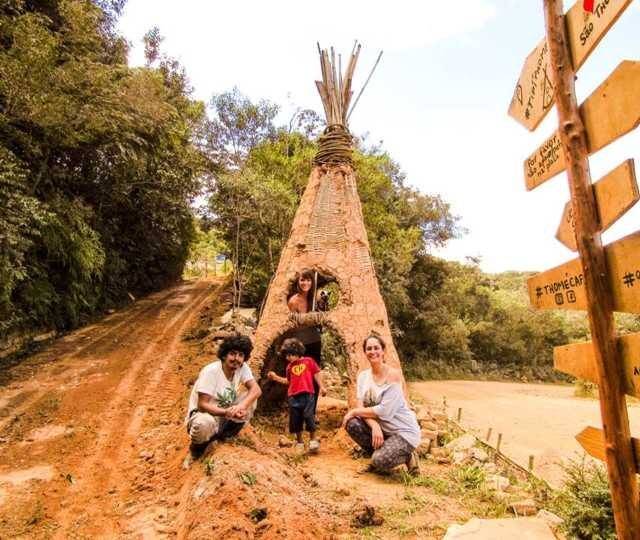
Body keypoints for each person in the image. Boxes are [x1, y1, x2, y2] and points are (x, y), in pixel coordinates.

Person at [342, 335, 420, 474]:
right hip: (383, 430)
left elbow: (385, 411)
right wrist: (374, 425)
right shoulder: (363, 377)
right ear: (365, 353)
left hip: (403, 431)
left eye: (376, 348)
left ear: (383, 351)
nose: (373, 351)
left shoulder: (393, 376)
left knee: (379, 461)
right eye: (369, 348)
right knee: (352, 424)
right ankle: (381, 453)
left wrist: (354, 412)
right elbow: (362, 407)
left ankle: (408, 455)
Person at [185, 334, 262, 457]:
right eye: (233, 353)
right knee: (203, 423)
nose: (236, 358)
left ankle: (224, 437)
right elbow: (202, 405)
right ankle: (197, 450)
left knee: (251, 399)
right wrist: (226, 412)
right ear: (224, 355)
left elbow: (256, 389)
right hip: (204, 415)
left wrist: (241, 406)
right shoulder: (211, 371)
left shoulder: (242, 368)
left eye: (241, 355)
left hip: (225, 414)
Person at [267, 338, 327, 453]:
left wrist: (322, 386)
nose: (288, 358)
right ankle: (299, 442)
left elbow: (317, 373)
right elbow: (289, 381)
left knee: (309, 416)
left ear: (298, 352)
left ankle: (313, 440)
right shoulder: (289, 367)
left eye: (290, 355)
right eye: (286, 355)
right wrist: (275, 377)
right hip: (293, 397)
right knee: (296, 420)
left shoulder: (309, 361)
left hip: (308, 394)